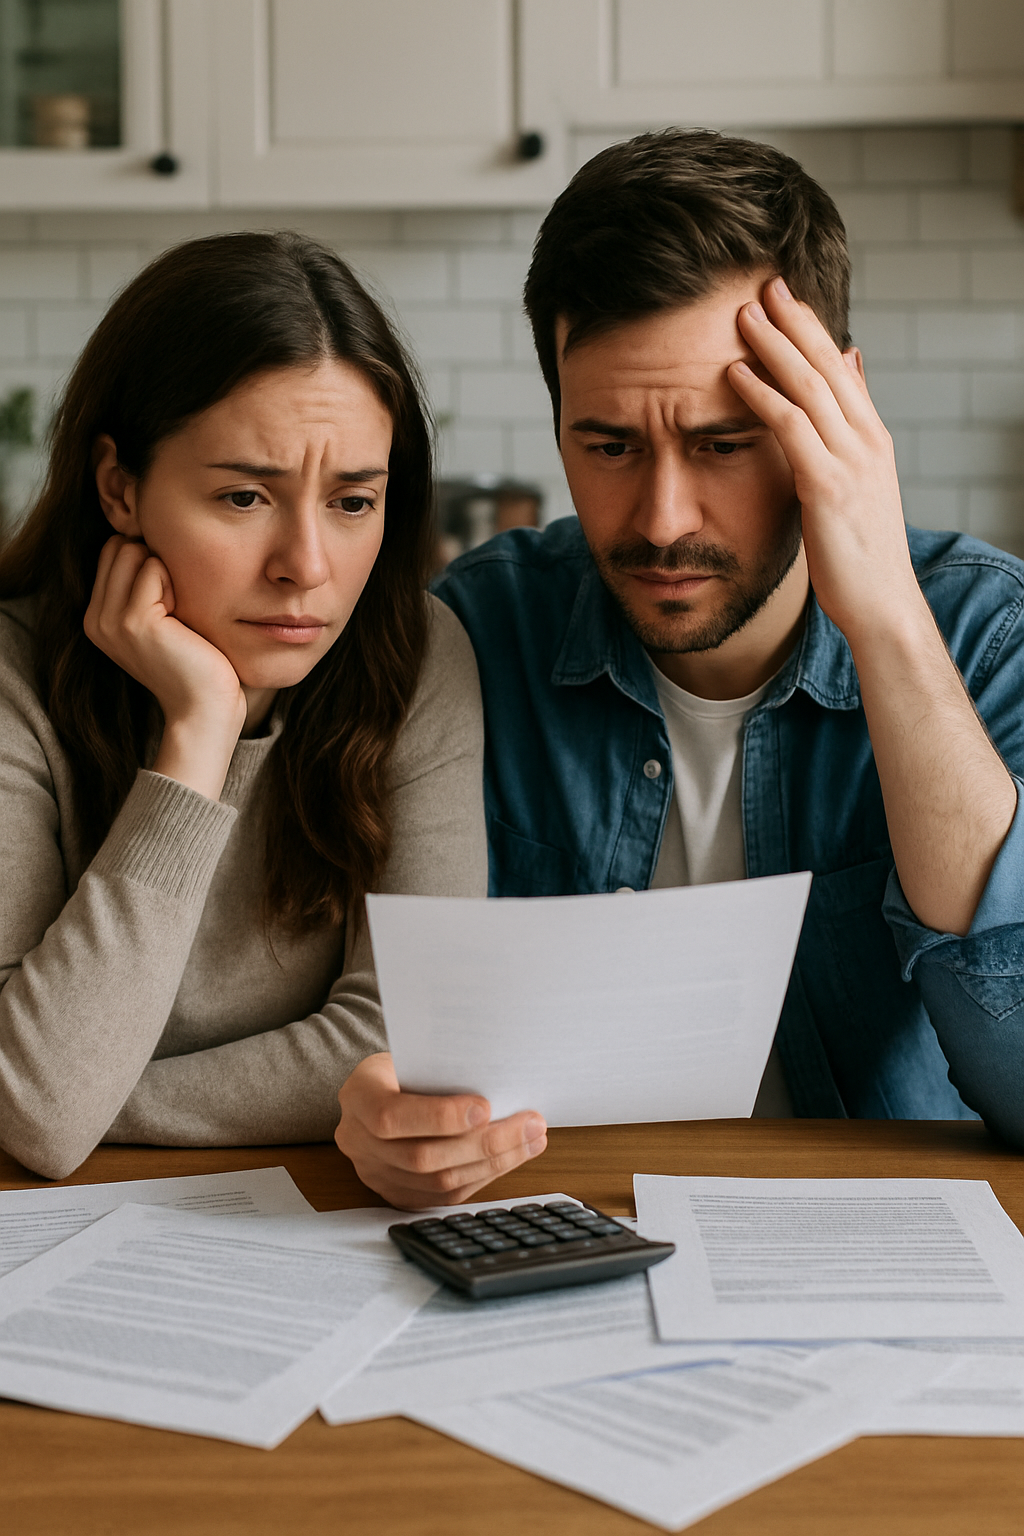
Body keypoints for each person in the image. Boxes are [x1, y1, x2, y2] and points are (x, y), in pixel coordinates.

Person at [434, 129, 1024, 1140]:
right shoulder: (477, 635)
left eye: (721, 444)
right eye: (609, 445)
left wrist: (885, 622)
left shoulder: (987, 637)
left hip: (864, 1254)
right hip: (567, 1232)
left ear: (831, 407)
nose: (663, 519)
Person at [0, 231, 547, 1200]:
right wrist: (199, 733)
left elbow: (401, 1038)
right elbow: (41, 1117)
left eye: (351, 502)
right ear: (119, 486)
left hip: (300, 1225)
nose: (307, 565)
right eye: (245, 495)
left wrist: (86, 1091)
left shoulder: (416, 657)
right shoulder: (12, 676)